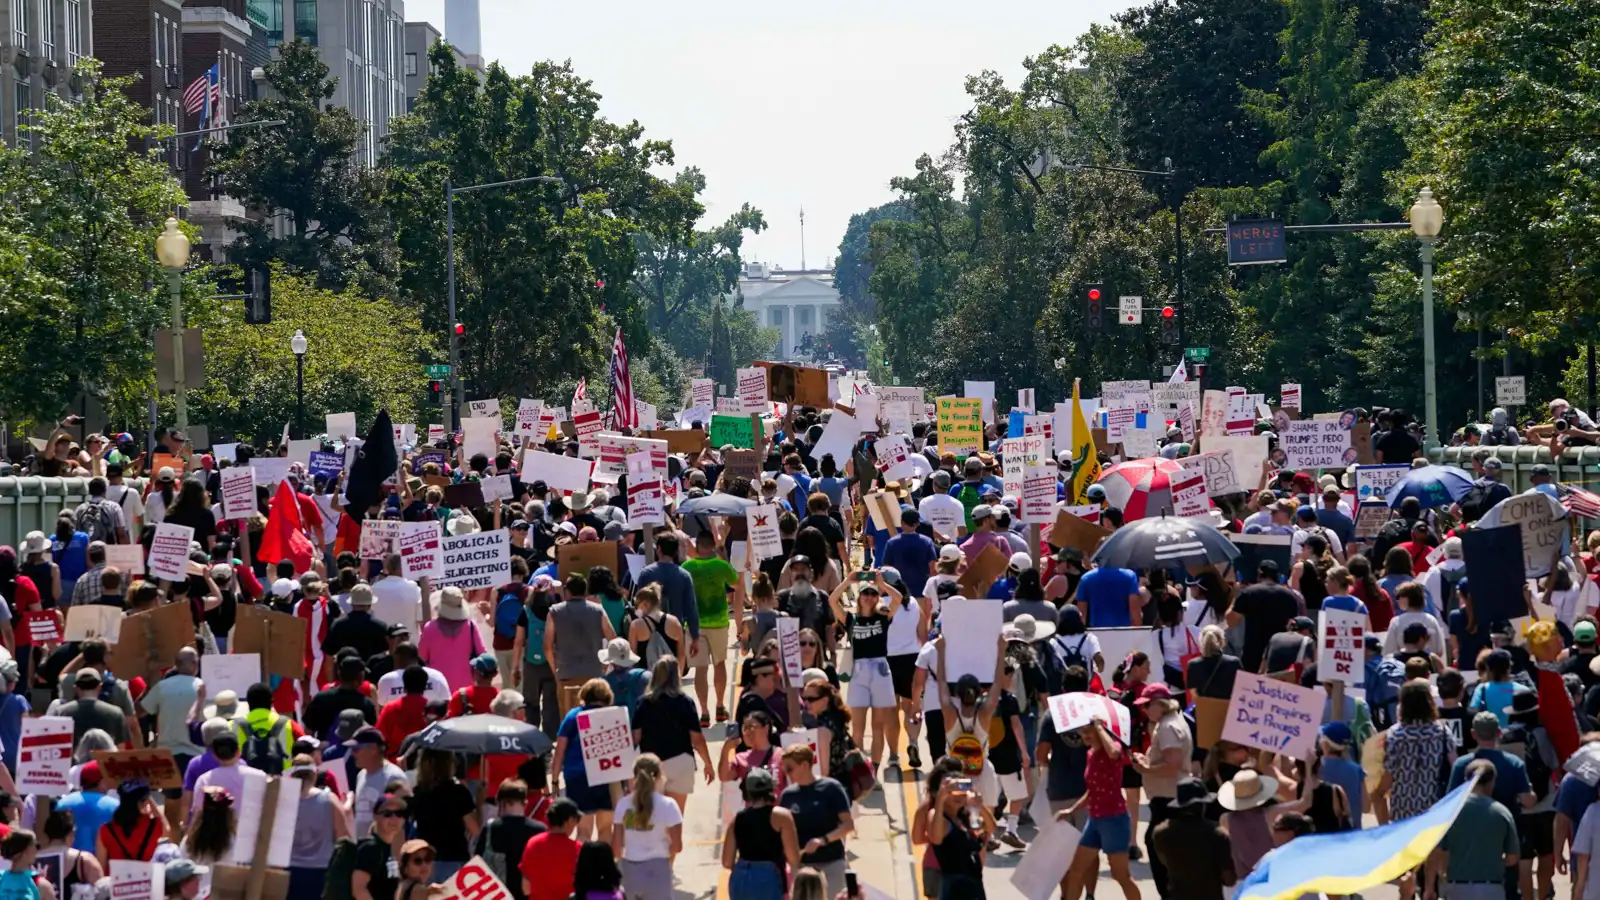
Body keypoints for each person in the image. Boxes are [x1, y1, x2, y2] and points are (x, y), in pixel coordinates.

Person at [1381, 680, 1457, 898]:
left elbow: (1388, 771)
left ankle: (1408, 887)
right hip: (1433, 799)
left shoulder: (1394, 734)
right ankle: (1430, 888)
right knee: (1432, 845)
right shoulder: (1442, 731)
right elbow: (1455, 765)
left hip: (1403, 800)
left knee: (1407, 849)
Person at [1060, 715, 1141, 900]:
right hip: (1094, 819)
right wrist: (1072, 810)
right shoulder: (1090, 754)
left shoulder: (1114, 748)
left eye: (1090, 731)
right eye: (1083, 732)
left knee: (1121, 875)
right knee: (1076, 869)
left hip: (1114, 819)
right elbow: (1092, 791)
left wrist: (1099, 726)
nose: (1086, 735)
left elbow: (1114, 753)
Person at [828, 568, 901, 766]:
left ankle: (875, 771)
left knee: (877, 726)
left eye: (873, 594)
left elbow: (898, 599)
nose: (869, 597)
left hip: (880, 669)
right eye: (865, 593)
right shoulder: (851, 620)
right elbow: (832, 601)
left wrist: (882, 585)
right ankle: (860, 771)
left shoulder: (883, 617)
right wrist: (847, 582)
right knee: (858, 729)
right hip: (859, 671)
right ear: (859, 597)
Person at [631, 656, 713, 818]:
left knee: (653, 818)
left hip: (651, 765)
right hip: (680, 762)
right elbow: (697, 739)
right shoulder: (685, 702)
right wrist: (708, 763)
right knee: (675, 818)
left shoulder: (643, 703)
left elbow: (635, 738)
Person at [1132, 683, 1192, 896]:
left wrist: (1145, 768)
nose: (1144, 710)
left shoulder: (1167, 727)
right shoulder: (1170, 721)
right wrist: (1146, 762)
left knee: (1160, 850)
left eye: (1147, 705)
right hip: (1169, 796)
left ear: (1159, 703)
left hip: (1168, 798)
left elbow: (1173, 764)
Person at [681, 532, 743, 725]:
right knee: (720, 663)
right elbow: (737, 583)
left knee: (700, 669)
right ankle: (720, 706)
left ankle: (705, 712)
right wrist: (723, 557)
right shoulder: (721, 566)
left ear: (697, 545)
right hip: (719, 622)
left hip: (694, 625)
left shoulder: (687, 567)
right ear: (713, 546)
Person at [779, 744, 853, 898]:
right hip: (802, 866)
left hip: (831, 861)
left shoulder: (831, 788)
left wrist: (823, 840)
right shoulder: (787, 795)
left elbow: (848, 824)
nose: (786, 774)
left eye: (790, 769)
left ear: (805, 765)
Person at [1445, 760, 1522, 900]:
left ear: (1465, 781)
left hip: (1457, 888)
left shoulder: (1450, 812)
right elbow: (1512, 858)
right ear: (1492, 782)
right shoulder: (1502, 813)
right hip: (1491, 889)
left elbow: (1438, 853)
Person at [609, 754, 683, 900]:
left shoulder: (623, 805)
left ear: (634, 775)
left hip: (630, 870)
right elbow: (677, 847)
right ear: (660, 775)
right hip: (659, 870)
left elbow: (616, 848)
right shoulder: (669, 805)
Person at [1149, 776, 1234, 900]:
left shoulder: (1161, 833)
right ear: (1203, 805)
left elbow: (1163, 863)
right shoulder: (1217, 833)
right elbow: (1229, 879)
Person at [553, 679, 617, 840]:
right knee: (605, 829)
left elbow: (559, 751)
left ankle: (584, 864)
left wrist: (554, 781)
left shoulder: (573, 716)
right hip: (607, 775)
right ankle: (604, 863)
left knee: (583, 830)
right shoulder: (613, 716)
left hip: (578, 778)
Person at [723, 766, 800, 900]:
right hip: (769, 877)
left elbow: (727, 862)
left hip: (741, 876)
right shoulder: (781, 817)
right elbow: (793, 858)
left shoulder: (737, 820)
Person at [926, 764, 993, 900]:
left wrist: (979, 806)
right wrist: (940, 800)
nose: (958, 797)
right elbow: (936, 838)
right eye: (952, 793)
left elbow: (990, 828)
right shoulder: (939, 816)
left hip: (974, 887)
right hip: (954, 890)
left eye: (963, 793)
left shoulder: (966, 817)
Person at [411, 749, 480, 880]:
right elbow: (475, 829)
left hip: (425, 860)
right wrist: (480, 804)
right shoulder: (458, 791)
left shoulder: (418, 791)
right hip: (454, 858)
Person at [286, 754, 347, 900]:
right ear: (314, 774)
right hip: (322, 871)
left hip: (290, 872)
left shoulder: (283, 800)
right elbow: (343, 837)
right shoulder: (330, 799)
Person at [1227, 561, 1301, 674]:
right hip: (1280, 654)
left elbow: (1231, 621)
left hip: (1253, 653)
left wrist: (1235, 598)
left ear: (1259, 573)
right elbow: (1294, 627)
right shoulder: (1290, 596)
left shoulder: (1248, 593)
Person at [420, 587, 488, 692]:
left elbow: (421, 657)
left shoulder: (429, 628)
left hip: (437, 685)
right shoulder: (470, 626)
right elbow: (482, 653)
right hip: (466, 686)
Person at [347, 727, 406, 838]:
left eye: (356, 749)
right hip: (363, 848)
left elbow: (398, 823)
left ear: (373, 748)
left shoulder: (394, 777)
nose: (352, 754)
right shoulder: (361, 775)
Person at [520, 798, 582, 900]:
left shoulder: (533, 843)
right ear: (570, 820)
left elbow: (525, 887)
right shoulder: (578, 849)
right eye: (577, 819)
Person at [95, 780, 165, 867]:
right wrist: (149, 799)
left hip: (116, 879)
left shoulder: (105, 830)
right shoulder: (155, 825)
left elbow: (101, 865)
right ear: (144, 802)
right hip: (148, 879)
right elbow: (166, 828)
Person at [352, 793, 408, 900]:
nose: (394, 818)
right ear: (375, 816)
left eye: (399, 813)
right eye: (387, 813)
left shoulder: (391, 848)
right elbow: (358, 889)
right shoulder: (370, 848)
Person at [54, 762, 117, 853]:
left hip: (67, 862)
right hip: (101, 864)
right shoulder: (114, 806)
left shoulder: (62, 803)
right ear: (102, 782)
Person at [1076, 562, 1141, 628]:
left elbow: (1081, 616)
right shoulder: (1130, 576)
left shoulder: (1086, 578)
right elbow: (1135, 613)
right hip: (1123, 632)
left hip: (1097, 633)